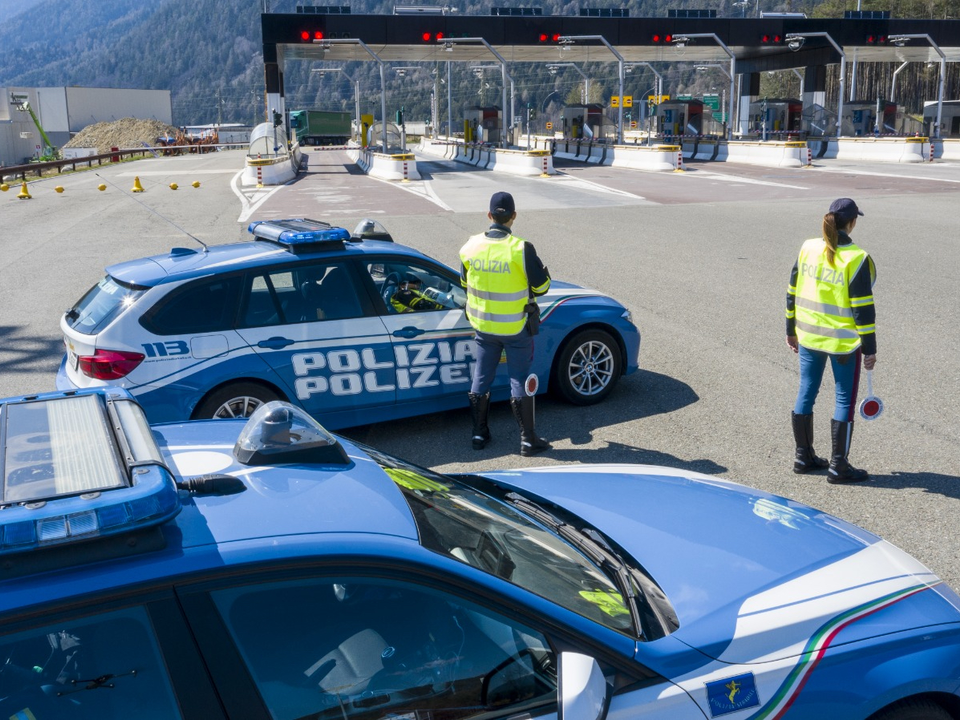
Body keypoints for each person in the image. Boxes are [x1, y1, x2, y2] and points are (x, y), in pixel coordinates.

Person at [785, 197, 877, 483]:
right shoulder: (857, 258)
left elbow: (792, 290)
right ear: (852, 223)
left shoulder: (807, 247)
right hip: (843, 343)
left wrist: (790, 328)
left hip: (809, 335)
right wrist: (870, 348)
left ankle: (804, 457)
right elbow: (862, 308)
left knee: (806, 391)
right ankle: (839, 466)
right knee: (843, 400)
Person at [460, 191, 551, 456]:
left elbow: (465, 284)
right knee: (518, 380)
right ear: (513, 217)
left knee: (481, 378)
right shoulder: (521, 248)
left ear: (489, 216)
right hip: (515, 328)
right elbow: (542, 287)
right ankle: (527, 440)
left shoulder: (470, 246)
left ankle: (478, 434)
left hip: (483, 327)